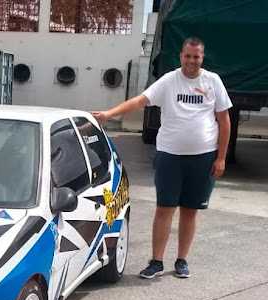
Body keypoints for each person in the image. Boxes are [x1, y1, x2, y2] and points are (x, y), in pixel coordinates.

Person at [92, 37, 232, 279]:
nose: (191, 61)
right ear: (181, 56)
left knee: (190, 211)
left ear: (202, 57)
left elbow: (224, 120)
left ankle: (182, 260)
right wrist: (109, 114)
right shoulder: (169, 80)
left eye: (196, 56)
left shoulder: (212, 81)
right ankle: (156, 261)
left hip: (203, 157)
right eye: (187, 56)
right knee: (164, 208)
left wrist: (221, 158)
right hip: (170, 156)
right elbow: (140, 101)